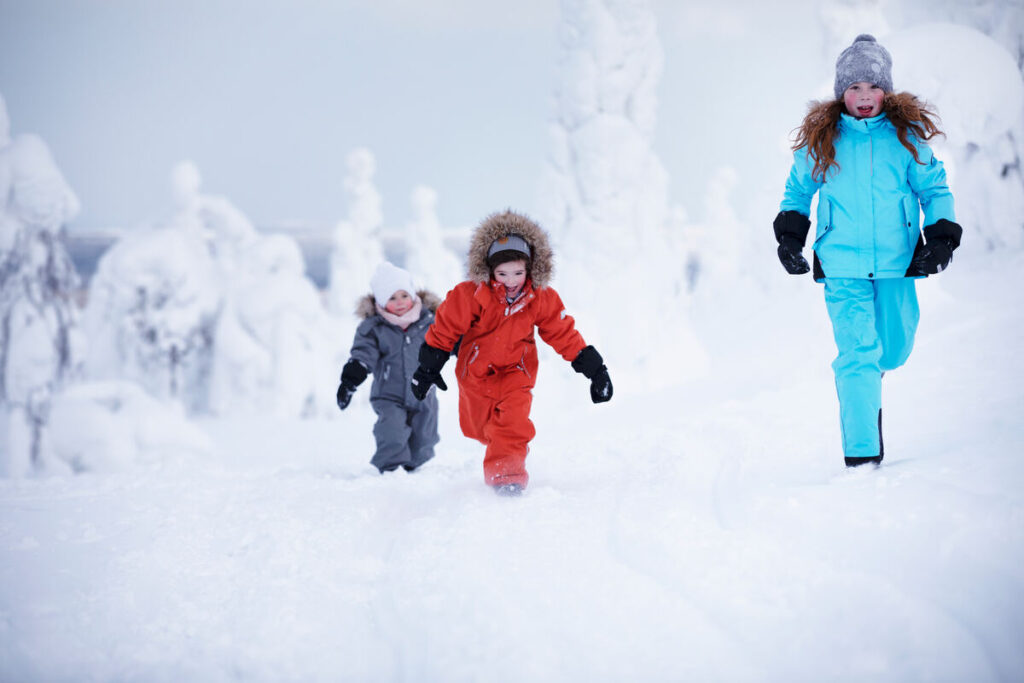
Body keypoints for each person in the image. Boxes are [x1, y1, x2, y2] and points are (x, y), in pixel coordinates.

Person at [774, 34, 963, 467]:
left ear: (886, 91)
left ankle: (872, 376)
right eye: (854, 88)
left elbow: (934, 189)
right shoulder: (824, 140)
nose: (863, 96)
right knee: (857, 356)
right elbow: (797, 193)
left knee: (892, 350)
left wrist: (941, 238)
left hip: (898, 263)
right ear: (842, 92)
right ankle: (861, 456)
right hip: (842, 265)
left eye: (872, 87)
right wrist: (789, 237)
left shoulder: (906, 138)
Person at [409, 210, 612, 496]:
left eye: (518, 272)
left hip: (517, 372)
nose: (511, 280)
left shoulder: (540, 298)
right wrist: (427, 368)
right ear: (489, 270)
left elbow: (561, 331)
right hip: (476, 376)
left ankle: (507, 478)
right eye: (502, 274)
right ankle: (503, 450)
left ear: (530, 268)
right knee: (481, 430)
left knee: (512, 424)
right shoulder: (470, 295)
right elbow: (445, 329)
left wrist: (595, 369)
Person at [336, 262, 442, 473]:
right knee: (392, 432)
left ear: (413, 295)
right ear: (381, 302)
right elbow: (363, 354)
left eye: (404, 295)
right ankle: (391, 470)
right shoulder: (374, 328)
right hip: (389, 394)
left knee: (424, 441)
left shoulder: (430, 322)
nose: (400, 302)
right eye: (392, 298)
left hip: (424, 393)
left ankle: (414, 467)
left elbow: (448, 342)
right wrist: (350, 379)